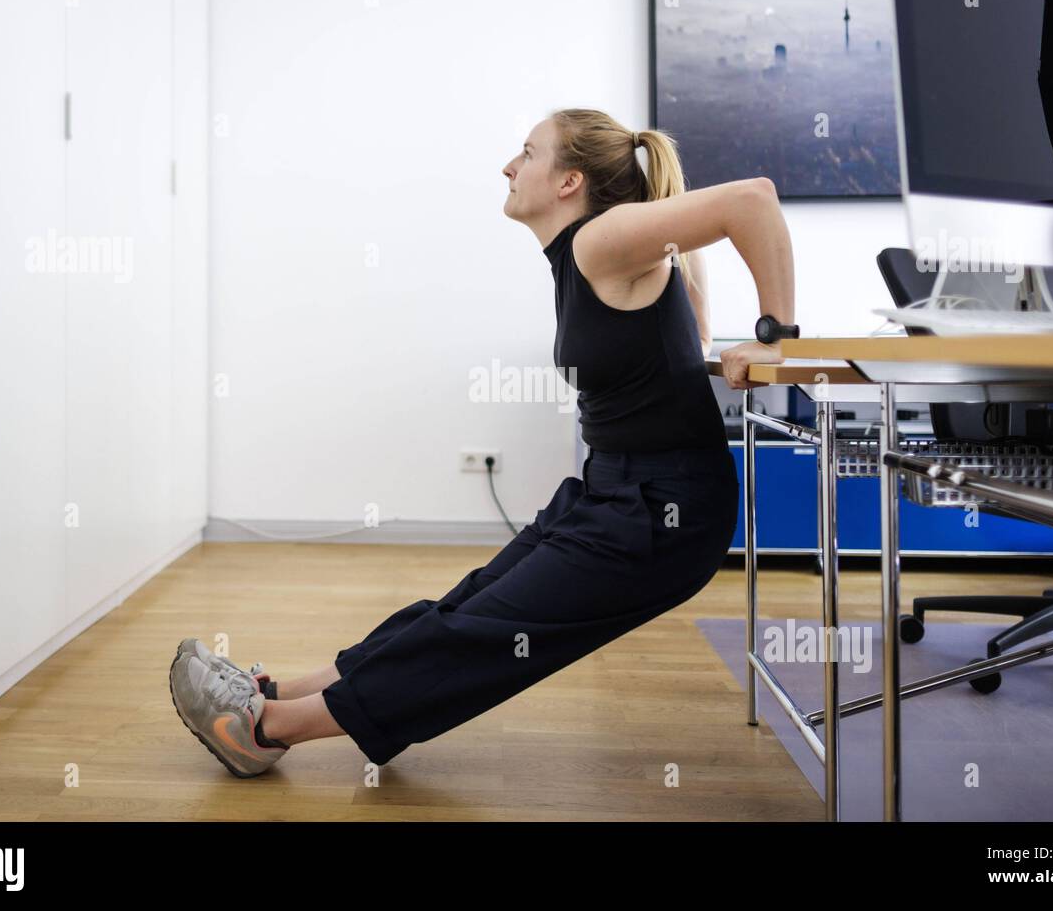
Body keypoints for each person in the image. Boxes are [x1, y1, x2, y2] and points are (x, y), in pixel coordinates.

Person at [169, 108, 795, 778]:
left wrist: (776, 335)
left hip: (664, 512)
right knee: (465, 604)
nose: (508, 165)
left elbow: (751, 201)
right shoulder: (597, 250)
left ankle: (265, 729)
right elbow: (691, 322)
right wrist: (681, 240)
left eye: (527, 153)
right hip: (612, 489)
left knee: (483, 634)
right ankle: (288, 690)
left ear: (568, 182)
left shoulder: (601, 239)